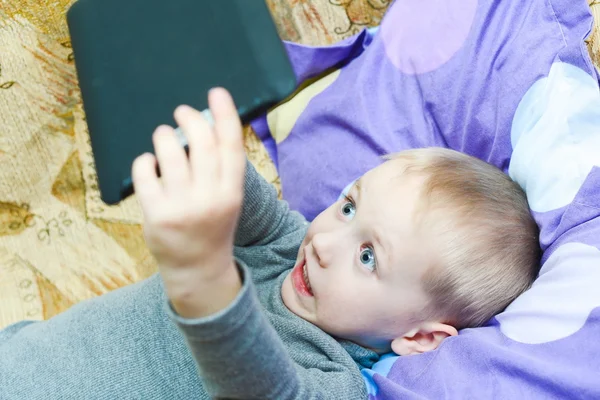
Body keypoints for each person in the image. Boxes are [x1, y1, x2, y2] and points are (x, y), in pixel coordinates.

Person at [0, 88, 540, 399]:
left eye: (369, 255)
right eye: (349, 206)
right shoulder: (286, 244)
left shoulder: (335, 380)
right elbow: (230, 176)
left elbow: (263, 391)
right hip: (21, 353)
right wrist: (190, 106)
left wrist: (205, 283)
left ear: (420, 337)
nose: (326, 240)